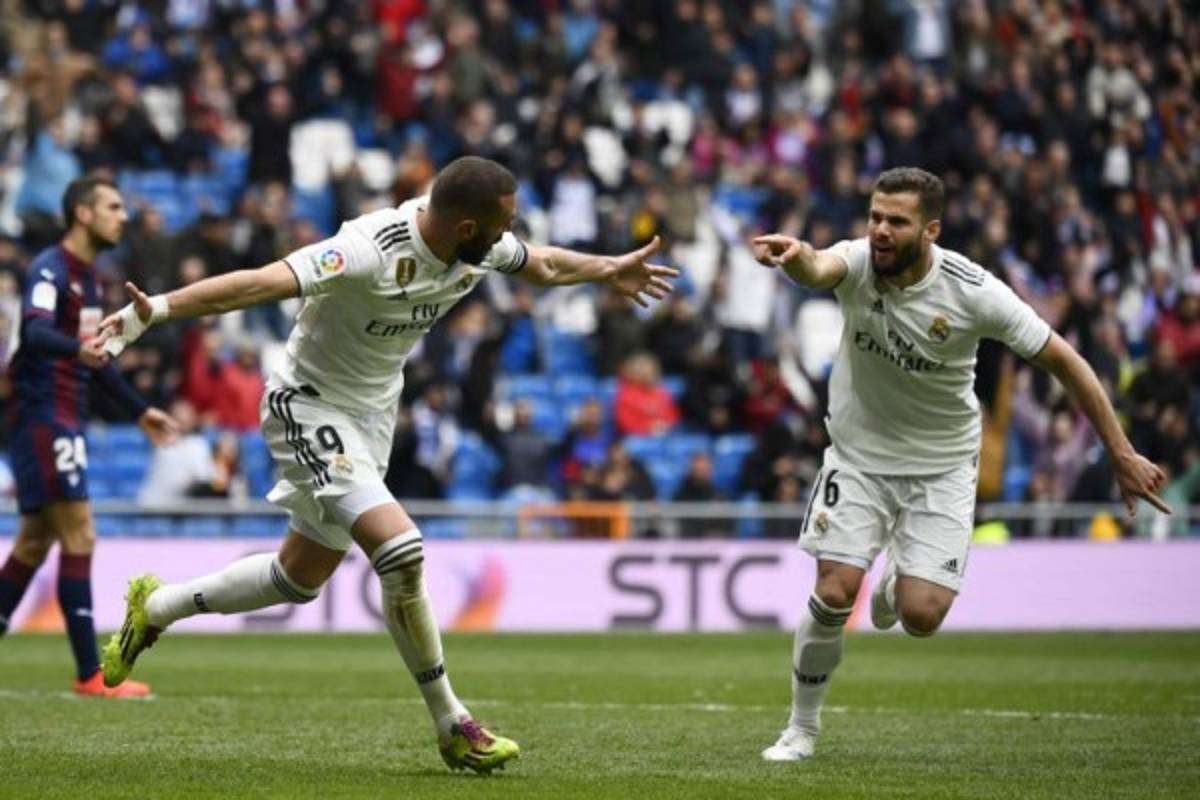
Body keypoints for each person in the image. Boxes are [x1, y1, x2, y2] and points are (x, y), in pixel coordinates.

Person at [96, 156, 678, 772]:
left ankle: (155, 608)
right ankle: (453, 724)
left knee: (299, 577)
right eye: (503, 223)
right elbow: (259, 283)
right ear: (466, 227)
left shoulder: (481, 249)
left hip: (372, 417)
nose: (510, 233)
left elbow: (546, 264)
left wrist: (608, 267)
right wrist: (155, 310)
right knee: (402, 550)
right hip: (308, 403)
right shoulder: (369, 248)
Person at [752, 167, 1168, 762]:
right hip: (859, 458)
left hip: (942, 466)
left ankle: (897, 580)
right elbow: (818, 267)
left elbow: (1067, 361)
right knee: (835, 589)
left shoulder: (974, 292)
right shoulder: (859, 261)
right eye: (875, 217)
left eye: (897, 221)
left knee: (921, 616)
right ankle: (801, 728)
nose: (880, 230)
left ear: (931, 230)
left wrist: (1121, 454)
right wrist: (795, 258)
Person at [0, 175, 177, 697]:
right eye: (113, 207)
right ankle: (90, 674)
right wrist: (76, 349)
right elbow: (36, 329)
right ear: (83, 212)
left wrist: (140, 411)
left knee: (34, 543)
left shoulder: (90, 280)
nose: (122, 217)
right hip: (43, 416)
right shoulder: (50, 269)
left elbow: (97, 360)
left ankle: (87, 674)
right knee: (80, 535)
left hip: (63, 415)